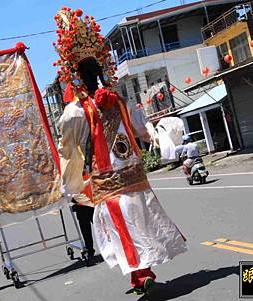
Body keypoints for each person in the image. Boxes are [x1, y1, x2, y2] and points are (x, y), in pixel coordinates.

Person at [54, 7, 187, 295]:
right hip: (136, 180)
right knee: (141, 225)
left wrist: (71, 181)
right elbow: (142, 131)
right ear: (102, 70)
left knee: (121, 232)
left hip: (108, 186)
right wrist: (160, 138)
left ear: (76, 76)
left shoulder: (77, 111)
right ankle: (141, 275)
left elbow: (68, 149)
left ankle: (141, 277)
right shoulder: (122, 101)